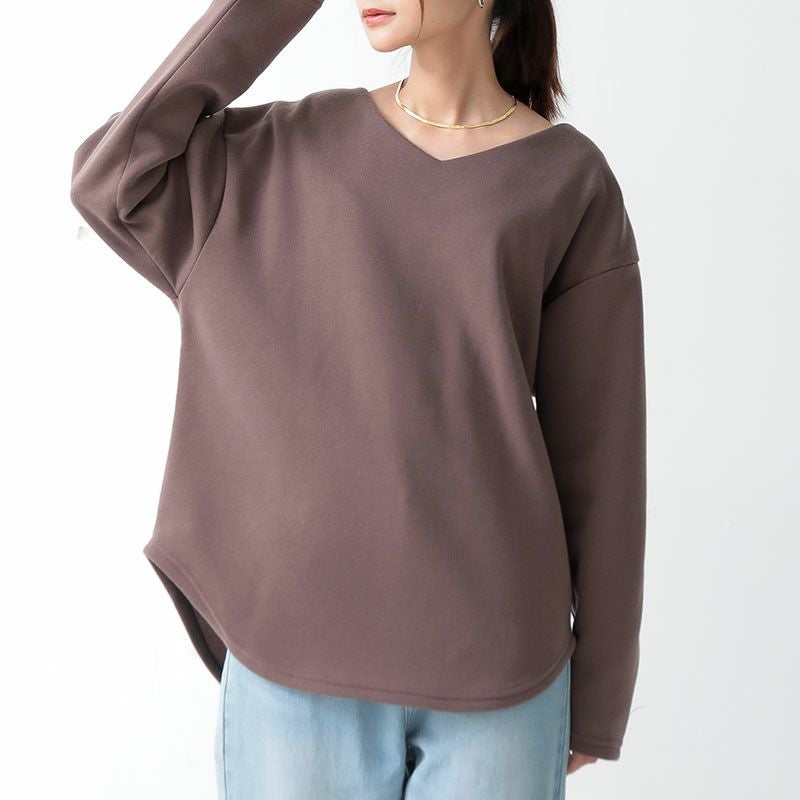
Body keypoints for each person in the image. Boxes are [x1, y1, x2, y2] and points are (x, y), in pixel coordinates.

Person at [69, 0, 647, 797]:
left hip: (503, 677)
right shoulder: (281, 151)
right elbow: (115, 179)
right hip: (292, 663)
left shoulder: (568, 181)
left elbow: (602, 459)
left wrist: (601, 697)